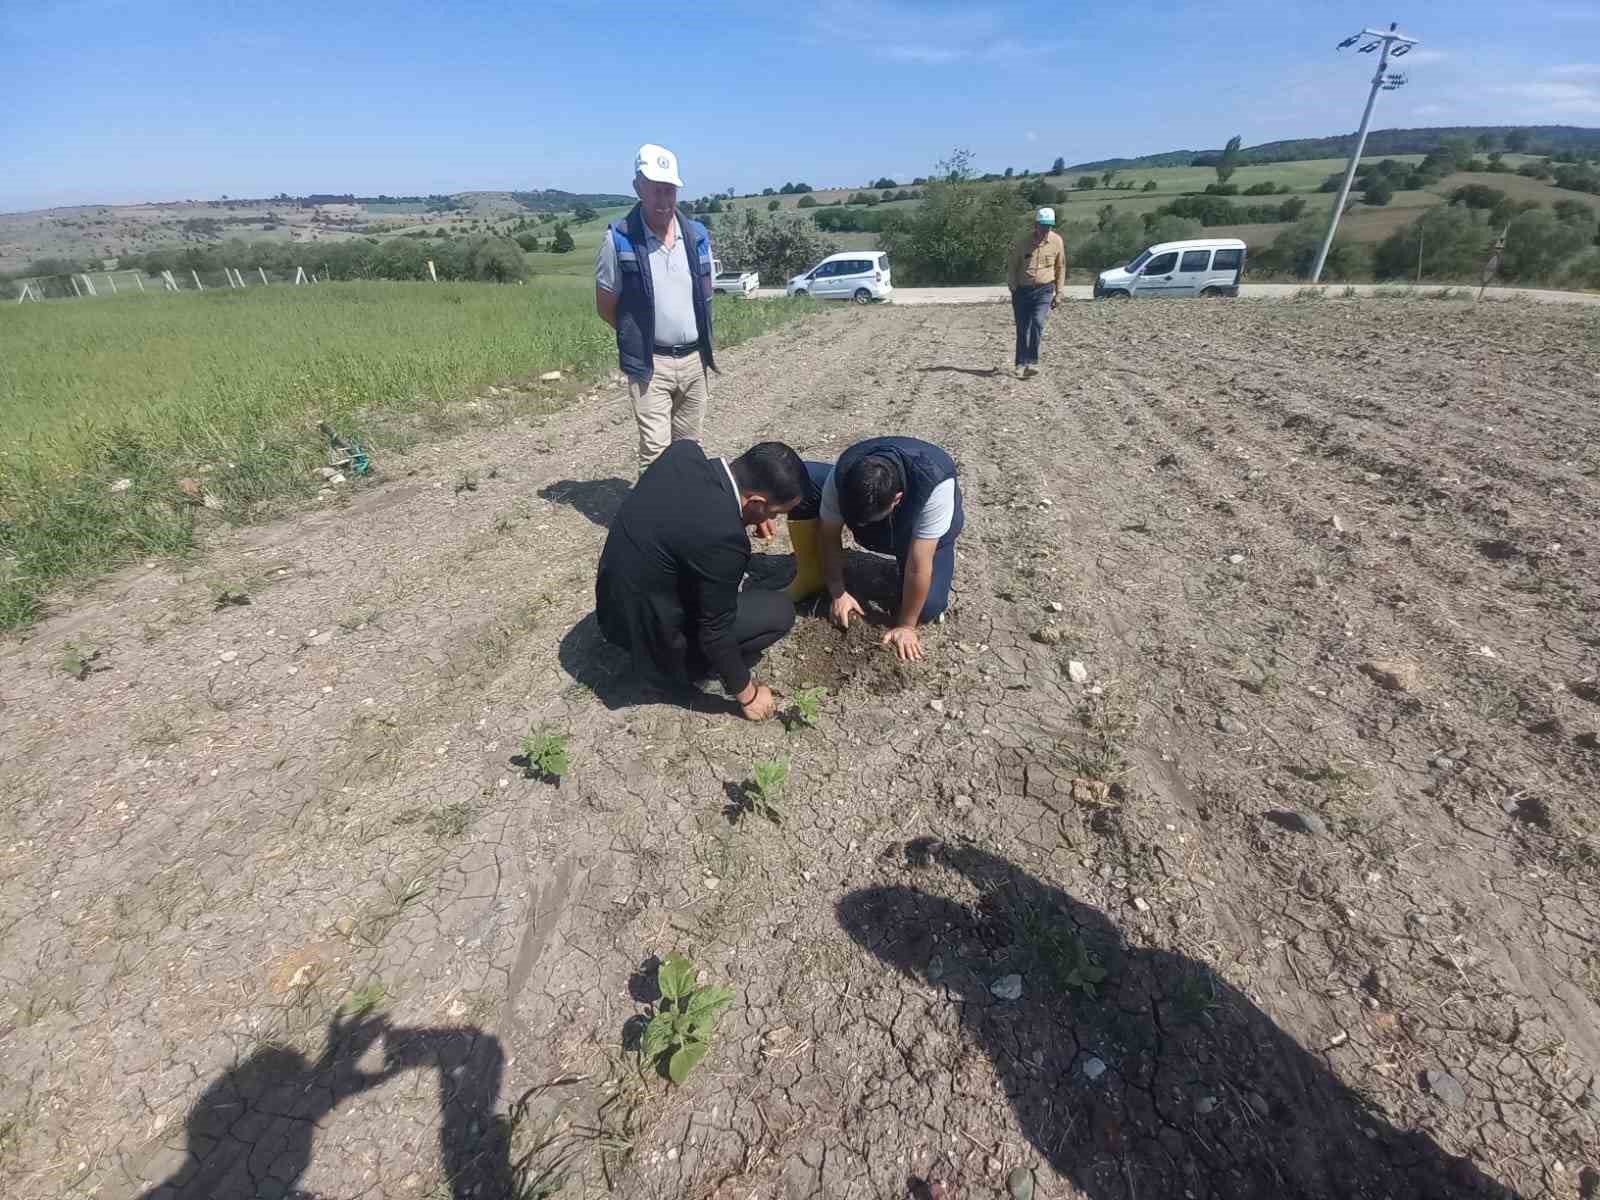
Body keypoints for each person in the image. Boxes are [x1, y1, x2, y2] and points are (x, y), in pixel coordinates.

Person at [595, 440, 809, 720]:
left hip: (613, 611)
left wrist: (748, 516)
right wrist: (749, 695)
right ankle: (679, 670)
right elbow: (716, 631)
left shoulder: (682, 454)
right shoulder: (725, 539)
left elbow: (690, 514)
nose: (773, 520)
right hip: (647, 638)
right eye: (774, 512)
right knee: (779, 611)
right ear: (756, 502)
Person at [595, 143, 718, 474]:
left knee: (690, 449)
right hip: (651, 364)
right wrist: (638, 335)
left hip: (695, 362)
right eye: (655, 191)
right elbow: (607, 305)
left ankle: (684, 521)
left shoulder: (697, 236)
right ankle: (654, 525)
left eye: (670, 191)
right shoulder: (618, 239)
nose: (664, 201)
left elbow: (706, 297)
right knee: (655, 455)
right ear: (638, 187)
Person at [786, 437, 963, 663]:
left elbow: (918, 567)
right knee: (805, 478)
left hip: (922, 533)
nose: (861, 527)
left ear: (897, 500)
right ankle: (812, 576)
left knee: (927, 608)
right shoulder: (842, 478)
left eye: (869, 521)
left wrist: (906, 626)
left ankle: (904, 559)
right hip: (872, 493)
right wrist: (837, 591)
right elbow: (828, 535)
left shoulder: (935, 487)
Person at [1006, 206, 1066, 379]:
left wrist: (1059, 292)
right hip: (1022, 291)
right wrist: (1013, 285)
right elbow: (1012, 266)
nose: (1046, 229)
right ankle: (1020, 364)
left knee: (1038, 323)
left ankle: (1032, 361)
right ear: (1036, 224)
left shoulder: (1057, 241)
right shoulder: (1022, 243)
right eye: (1043, 225)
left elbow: (1060, 266)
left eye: (1049, 226)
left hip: (1044, 290)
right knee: (1022, 329)